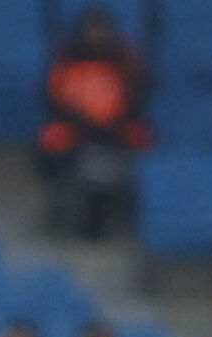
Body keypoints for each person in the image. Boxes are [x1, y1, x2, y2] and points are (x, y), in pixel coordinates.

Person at [35, 5, 150, 239]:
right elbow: (55, 102)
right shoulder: (66, 60)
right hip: (76, 131)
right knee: (56, 142)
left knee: (136, 141)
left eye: (102, 29)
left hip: (113, 133)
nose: (97, 35)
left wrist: (109, 127)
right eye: (92, 29)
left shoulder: (123, 62)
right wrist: (84, 125)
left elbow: (135, 101)